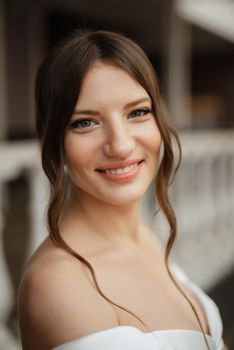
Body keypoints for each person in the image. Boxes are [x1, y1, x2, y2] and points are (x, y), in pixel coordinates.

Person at [18, 29, 227, 350]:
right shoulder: (56, 283)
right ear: (55, 142)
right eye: (85, 122)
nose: (121, 144)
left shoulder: (145, 237)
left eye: (138, 113)